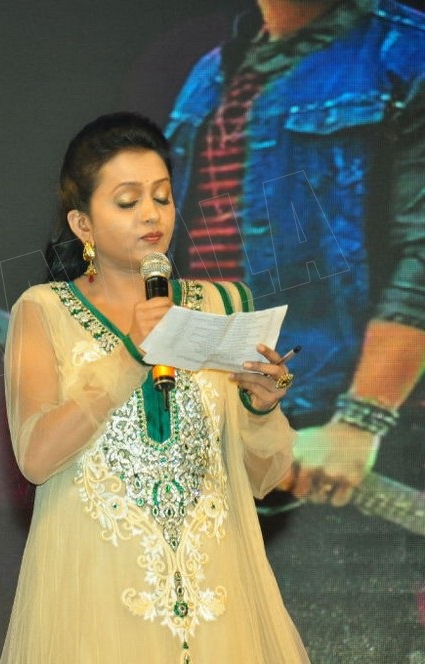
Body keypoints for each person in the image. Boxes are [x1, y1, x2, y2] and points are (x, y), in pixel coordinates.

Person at [0, 112, 308, 663]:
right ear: (82, 224)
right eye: (128, 201)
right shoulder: (43, 310)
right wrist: (130, 356)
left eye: (162, 197)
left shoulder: (224, 305)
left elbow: (265, 477)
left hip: (218, 601)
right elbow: (36, 457)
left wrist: (261, 408)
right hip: (97, 602)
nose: (151, 214)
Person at [165, 1, 424, 657]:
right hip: (224, 443)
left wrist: (360, 420)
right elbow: (189, 258)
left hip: (346, 449)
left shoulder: (407, 55)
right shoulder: (211, 75)